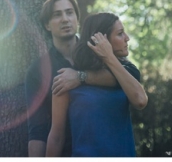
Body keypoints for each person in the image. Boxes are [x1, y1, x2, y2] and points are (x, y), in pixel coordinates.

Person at [25, 0, 123, 157]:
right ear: (47, 25)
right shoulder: (37, 71)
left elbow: (125, 76)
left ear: (77, 19)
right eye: (57, 15)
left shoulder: (99, 53)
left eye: (69, 13)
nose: (65, 19)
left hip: (110, 150)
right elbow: (37, 131)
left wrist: (80, 77)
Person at [46, 12, 148, 157]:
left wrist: (108, 57)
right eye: (120, 34)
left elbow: (140, 100)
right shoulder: (67, 80)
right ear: (101, 40)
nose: (127, 38)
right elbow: (56, 137)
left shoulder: (127, 73)